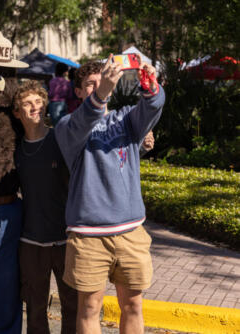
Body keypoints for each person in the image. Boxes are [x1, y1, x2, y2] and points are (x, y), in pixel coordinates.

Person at [55, 55, 165, 334]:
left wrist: (150, 85)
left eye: (101, 82)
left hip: (131, 232)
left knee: (133, 307)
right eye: (90, 84)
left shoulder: (126, 118)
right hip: (88, 236)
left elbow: (152, 107)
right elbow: (86, 119)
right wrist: (101, 93)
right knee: (90, 309)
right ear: (78, 92)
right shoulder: (67, 126)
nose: (97, 87)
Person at [12, 80, 78, 334]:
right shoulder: (15, 150)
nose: (35, 108)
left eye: (39, 102)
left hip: (64, 240)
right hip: (31, 241)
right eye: (28, 103)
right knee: (35, 309)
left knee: (71, 307)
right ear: (17, 112)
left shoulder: (59, 140)